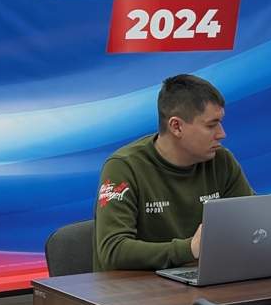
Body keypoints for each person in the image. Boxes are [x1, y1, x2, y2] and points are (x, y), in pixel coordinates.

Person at [93, 74, 254, 271]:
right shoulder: (124, 167)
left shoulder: (222, 161)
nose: (222, 134)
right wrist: (189, 249)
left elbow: (252, 226)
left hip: (204, 281)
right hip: (135, 288)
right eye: (211, 125)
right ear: (176, 126)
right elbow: (113, 251)